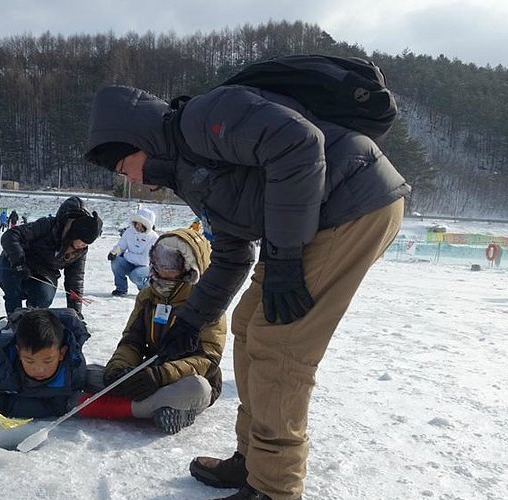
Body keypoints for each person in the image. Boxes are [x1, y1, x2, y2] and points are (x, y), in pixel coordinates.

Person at [85, 84, 409, 499]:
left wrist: (287, 258)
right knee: (247, 326)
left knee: (280, 346)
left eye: (122, 166)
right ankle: (253, 460)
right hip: (303, 226)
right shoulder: (190, 175)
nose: (127, 178)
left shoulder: (204, 117)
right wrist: (190, 321)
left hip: (353, 204)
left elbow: (300, 142)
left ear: (138, 141)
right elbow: (233, 254)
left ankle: (274, 487)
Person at [100, 228, 225, 433]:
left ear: (190, 264)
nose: (162, 267)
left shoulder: (208, 304)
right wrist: (118, 369)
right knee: (96, 374)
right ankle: (159, 407)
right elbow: (132, 341)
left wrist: (161, 375)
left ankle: (131, 406)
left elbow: (208, 359)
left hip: (185, 379)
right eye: (158, 259)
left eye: (171, 261)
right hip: (148, 372)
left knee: (197, 388)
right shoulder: (148, 296)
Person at [0, 196, 102, 316]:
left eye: (87, 244)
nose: (83, 246)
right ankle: (14, 316)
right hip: (14, 263)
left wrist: (75, 313)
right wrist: (18, 262)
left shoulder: (80, 251)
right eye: (82, 241)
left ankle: (31, 318)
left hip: (45, 274)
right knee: (13, 286)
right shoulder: (47, 226)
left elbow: (75, 280)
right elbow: (10, 235)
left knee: (43, 296)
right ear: (74, 234)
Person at [108, 207, 159, 296]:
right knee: (116, 262)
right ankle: (121, 289)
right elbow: (121, 245)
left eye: (141, 224)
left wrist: (126, 255)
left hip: (146, 268)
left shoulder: (154, 238)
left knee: (136, 275)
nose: (138, 226)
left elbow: (144, 261)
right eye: (136, 223)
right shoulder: (129, 232)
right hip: (130, 264)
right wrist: (114, 252)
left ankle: (145, 290)